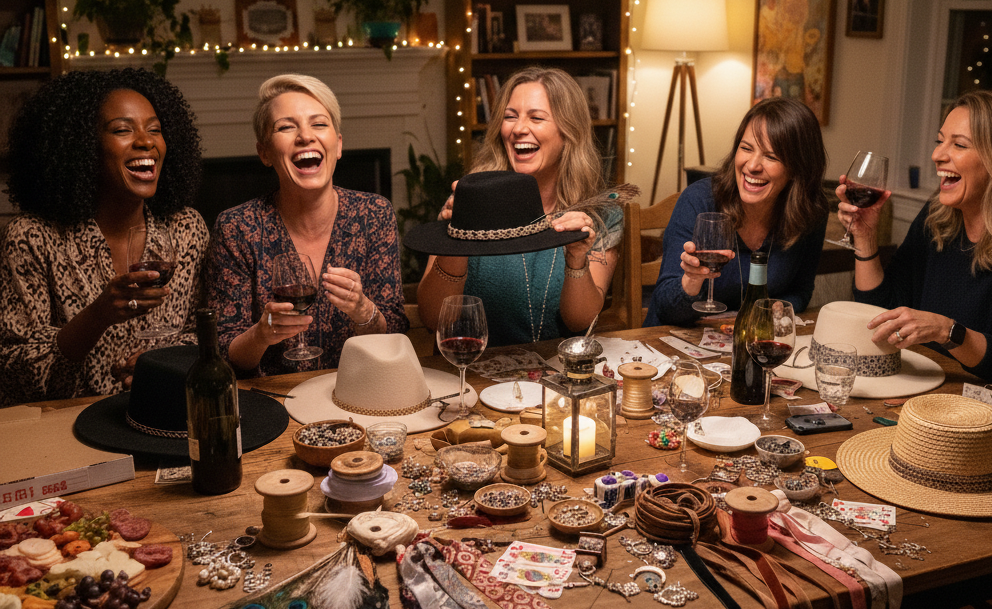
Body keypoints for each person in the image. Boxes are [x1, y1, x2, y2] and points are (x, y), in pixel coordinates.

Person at [0, 68, 207, 405]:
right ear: (82, 146)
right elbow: (13, 372)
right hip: (65, 427)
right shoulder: (31, 238)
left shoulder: (186, 229)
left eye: (155, 129)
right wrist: (96, 317)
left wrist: (161, 365)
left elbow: (203, 334)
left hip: (165, 414)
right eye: (122, 130)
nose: (146, 141)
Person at [207, 74, 407, 376]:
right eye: (286, 127)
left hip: (358, 392)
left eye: (319, 123)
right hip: (272, 401)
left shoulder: (374, 215)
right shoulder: (236, 228)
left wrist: (363, 310)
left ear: (338, 145)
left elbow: (396, 335)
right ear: (264, 152)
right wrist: (261, 335)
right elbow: (223, 353)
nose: (305, 136)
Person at [416, 67, 622, 346]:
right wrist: (458, 243)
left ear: (568, 132)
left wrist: (576, 260)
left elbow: (580, 321)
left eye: (536, 117)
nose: (517, 129)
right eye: (510, 117)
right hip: (475, 368)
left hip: (557, 372)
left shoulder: (600, 214)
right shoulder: (469, 200)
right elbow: (432, 319)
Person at [842, 89, 992, 384]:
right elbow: (881, 312)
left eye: (959, 145)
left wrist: (947, 331)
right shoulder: (937, 216)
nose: (937, 155)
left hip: (984, 405)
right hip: (920, 387)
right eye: (940, 141)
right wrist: (865, 237)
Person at [645, 97, 829, 326]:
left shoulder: (811, 212)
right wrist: (691, 282)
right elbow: (664, 309)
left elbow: (800, 290)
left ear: (797, 168)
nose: (752, 165)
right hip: (673, 344)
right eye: (746, 148)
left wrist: (777, 309)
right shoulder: (699, 201)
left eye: (771, 156)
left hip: (749, 343)